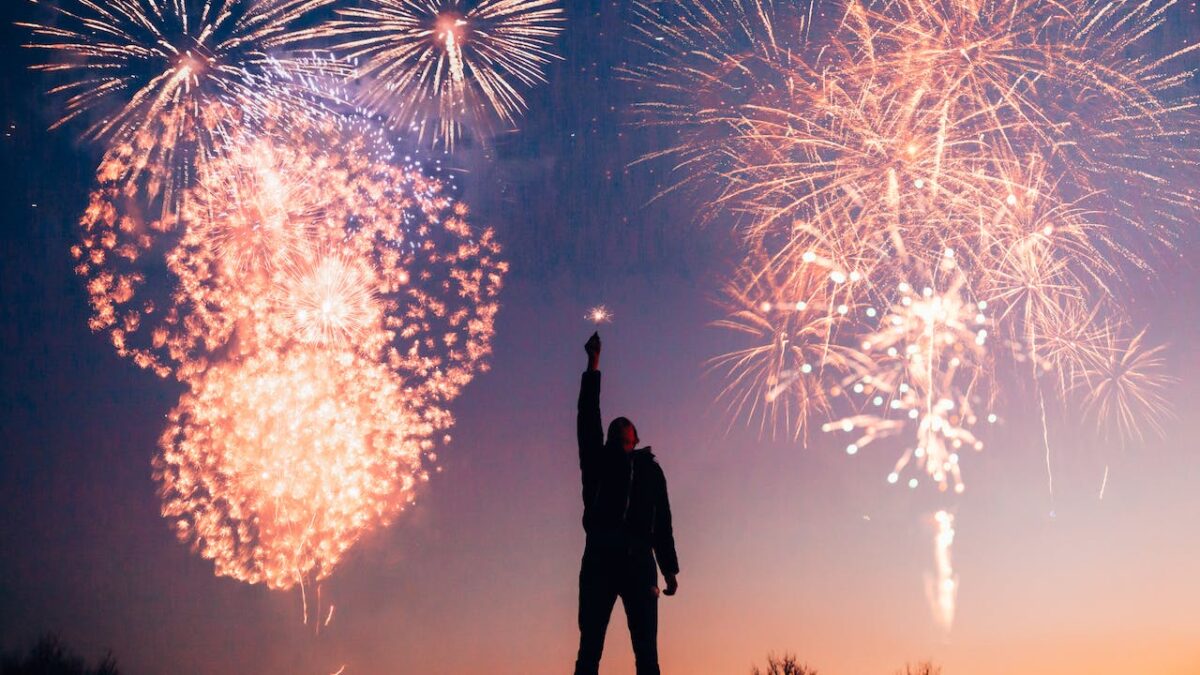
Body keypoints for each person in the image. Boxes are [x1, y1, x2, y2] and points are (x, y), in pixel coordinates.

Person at [574, 331, 679, 675]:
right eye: (614, 427)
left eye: (626, 426)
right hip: (601, 556)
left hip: (638, 561)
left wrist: (669, 569)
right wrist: (593, 364)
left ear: (635, 437)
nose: (619, 425)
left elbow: (662, 521)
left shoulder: (650, 470)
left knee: (646, 653)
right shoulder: (597, 462)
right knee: (590, 648)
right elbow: (587, 417)